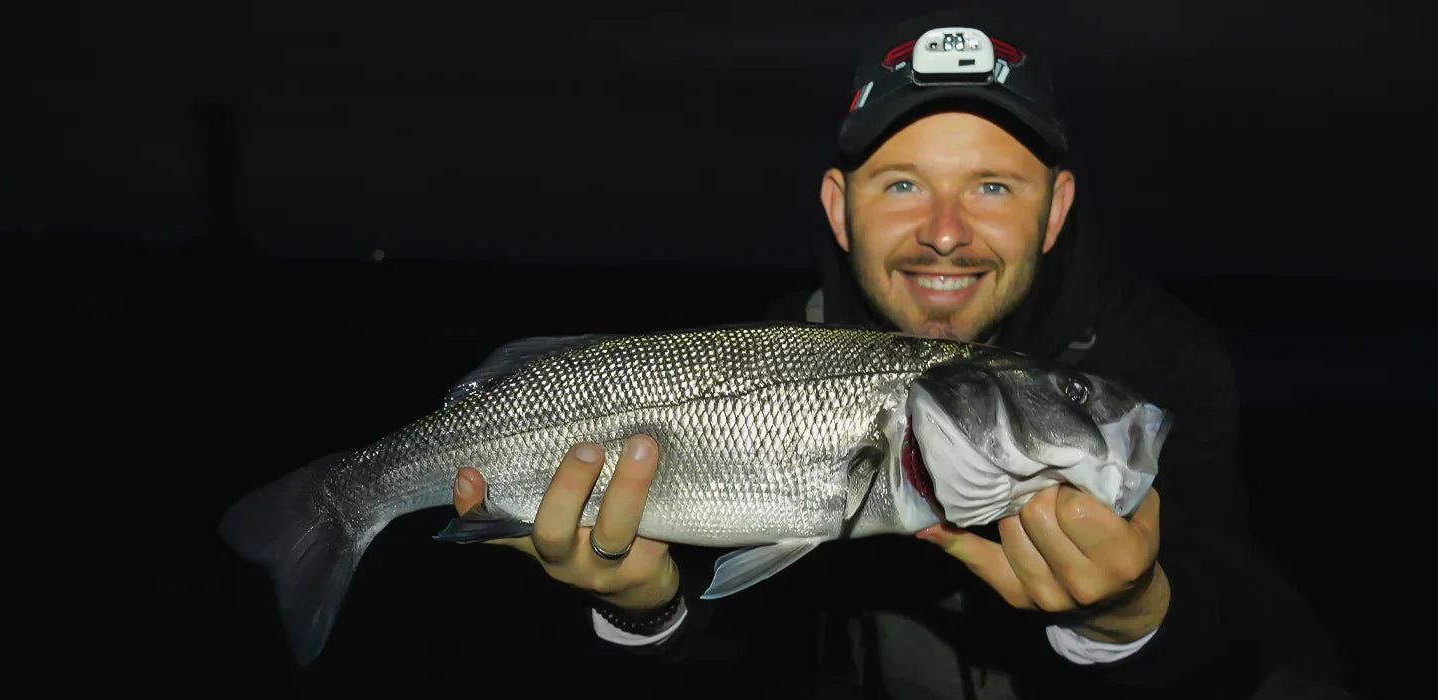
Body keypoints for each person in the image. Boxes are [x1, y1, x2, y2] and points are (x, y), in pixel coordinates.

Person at [448, 9, 1352, 699]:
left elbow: (1257, 631)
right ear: (841, 209)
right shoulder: (772, 344)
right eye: (904, 184)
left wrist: (1133, 617)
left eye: (992, 186)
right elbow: (748, 655)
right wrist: (642, 608)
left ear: (1058, 207)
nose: (946, 234)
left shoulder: (1153, 360)